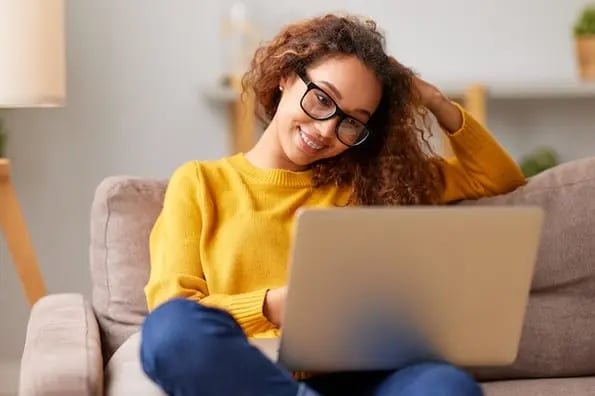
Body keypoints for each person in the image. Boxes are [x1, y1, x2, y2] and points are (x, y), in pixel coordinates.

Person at [140, 13, 526, 396]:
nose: (326, 129)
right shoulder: (200, 182)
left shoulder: (376, 182)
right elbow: (174, 310)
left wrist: (433, 99)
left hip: (365, 375)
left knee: (446, 386)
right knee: (170, 331)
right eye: (323, 99)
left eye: (352, 122)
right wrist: (278, 305)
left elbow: (496, 178)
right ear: (285, 78)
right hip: (254, 374)